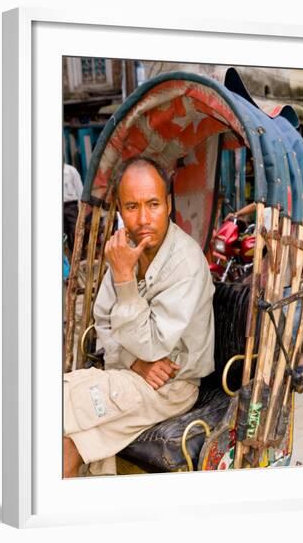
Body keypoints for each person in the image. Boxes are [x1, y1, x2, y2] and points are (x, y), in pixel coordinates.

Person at [63, 157, 215, 477]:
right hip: (130, 372)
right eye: (132, 206)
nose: (144, 218)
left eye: (153, 204)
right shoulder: (126, 249)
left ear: (169, 205)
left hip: (171, 386)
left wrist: (123, 280)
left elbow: (155, 346)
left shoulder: (185, 262)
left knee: (56, 406)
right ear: (119, 209)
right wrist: (133, 362)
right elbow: (103, 318)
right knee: (68, 440)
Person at [63, 162, 84, 252]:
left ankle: (80, 252)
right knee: (64, 232)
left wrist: (82, 210)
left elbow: (80, 190)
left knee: (76, 230)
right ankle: (71, 253)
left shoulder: (71, 171)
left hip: (71, 206)